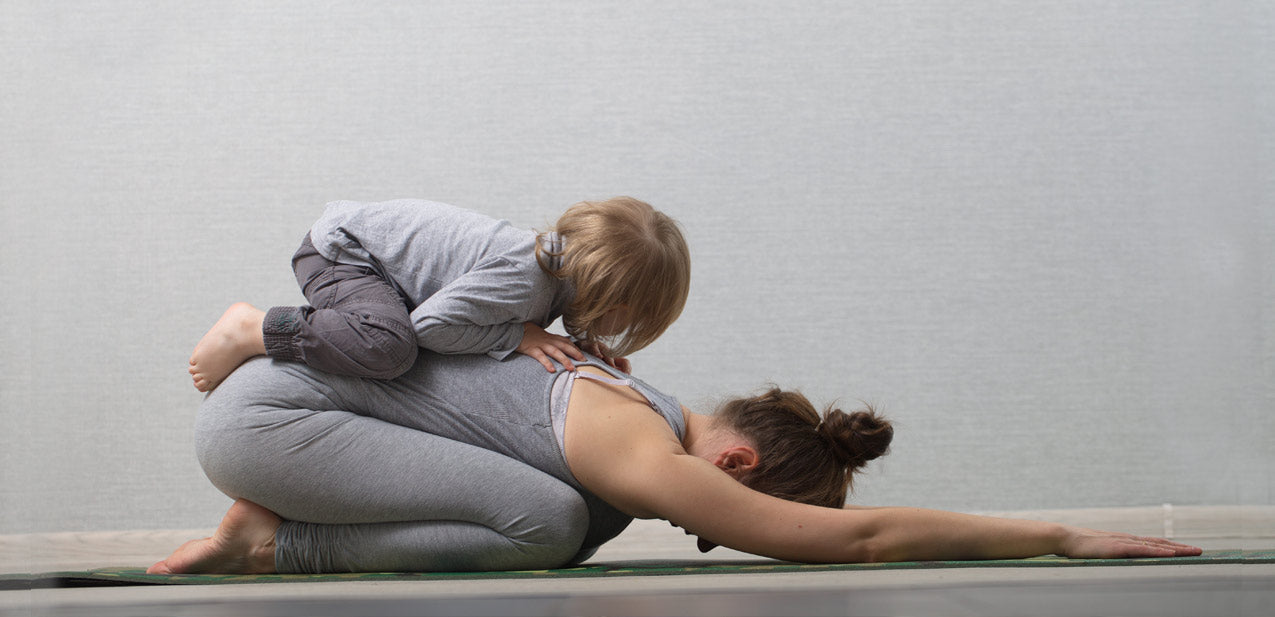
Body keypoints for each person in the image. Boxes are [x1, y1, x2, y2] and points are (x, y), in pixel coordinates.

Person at [149, 351, 1201, 574]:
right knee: (556, 523)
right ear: (733, 462)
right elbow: (863, 537)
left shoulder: (628, 405)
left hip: (291, 414)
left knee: (578, 519)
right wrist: (1055, 533)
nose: (703, 528)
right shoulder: (641, 441)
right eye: (719, 516)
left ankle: (268, 531)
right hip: (273, 421)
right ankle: (279, 541)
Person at [187, 196, 691, 392]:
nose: (621, 330)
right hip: (344, 251)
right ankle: (254, 327)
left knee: (395, 338)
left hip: (375, 261)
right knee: (392, 346)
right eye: (625, 320)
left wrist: (577, 344)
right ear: (612, 301)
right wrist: (518, 334)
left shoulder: (556, 272)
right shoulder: (527, 280)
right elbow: (431, 326)